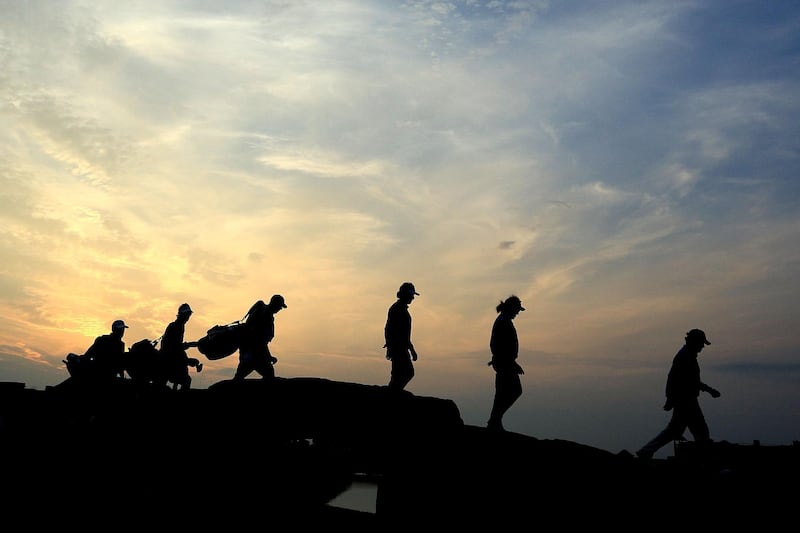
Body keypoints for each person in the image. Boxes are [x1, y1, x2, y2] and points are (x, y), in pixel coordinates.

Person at [636, 328, 721, 459]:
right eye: (701, 343)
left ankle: (646, 451)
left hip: (685, 399)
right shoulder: (685, 357)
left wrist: (670, 398)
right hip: (686, 400)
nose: (702, 347)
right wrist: (710, 390)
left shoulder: (686, 356)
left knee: (675, 430)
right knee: (700, 432)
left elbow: (682, 379)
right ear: (694, 342)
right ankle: (705, 460)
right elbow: (682, 380)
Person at [486, 295, 525, 432]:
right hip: (504, 363)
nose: (517, 313)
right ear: (511, 308)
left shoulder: (504, 320)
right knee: (514, 390)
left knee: (503, 393)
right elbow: (499, 345)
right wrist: (510, 362)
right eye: (517, 310)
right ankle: (495, 420)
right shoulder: (503, 322)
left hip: (504, 361)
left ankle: (494, 421)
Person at [233, 294, 286, 381]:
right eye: (280, 306)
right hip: (255, 354)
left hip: (248, 352)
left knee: (240, 376)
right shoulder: (265, 316)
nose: (280, 309)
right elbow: (260, 340)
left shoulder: (263, 312)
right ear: (274, 304)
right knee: (269, 375)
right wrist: (269, 357)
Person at [384, 282, 420, 391]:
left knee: (401, 373)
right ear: (406, 294)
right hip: (398, 348)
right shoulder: (397, 309)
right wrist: (392, 347)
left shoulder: (400, 309)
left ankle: (394, 392)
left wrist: (411, 349)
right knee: (406, 372)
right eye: (411, 294)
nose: (413, 298)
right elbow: (390, 329)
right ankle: (393, 393)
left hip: (400, 348)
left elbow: (404, 334)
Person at [159, 303, 201, 391]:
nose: (188, 318)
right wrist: (185, 349)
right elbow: (172, 347)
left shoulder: (179, 326)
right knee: (186, 380)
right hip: (168, 361)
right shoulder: (176, 326)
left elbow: (175, 346)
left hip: (170, 359)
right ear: (182, 315)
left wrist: (185, 347)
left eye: (188, 315)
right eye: (187, 315)